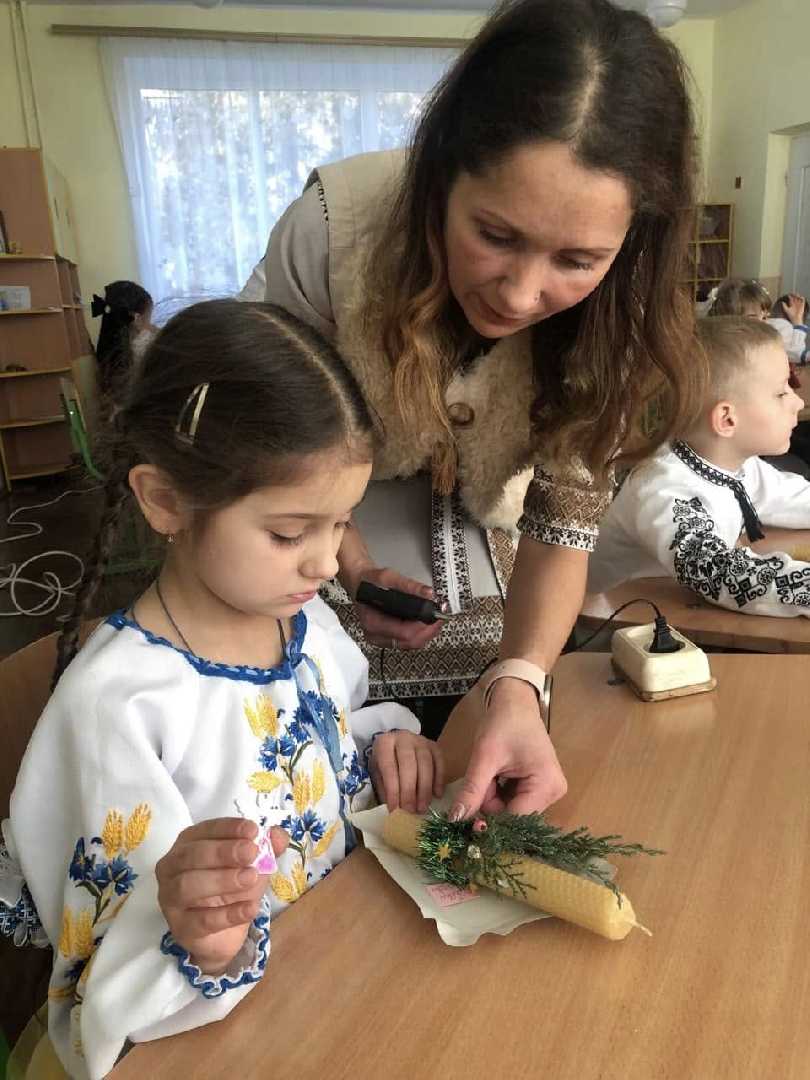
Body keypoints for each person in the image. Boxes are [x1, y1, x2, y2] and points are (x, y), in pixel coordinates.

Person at [246, 0, 703, 820]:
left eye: (577, 260)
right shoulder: (333, 232)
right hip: (312, 524)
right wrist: (351, 565)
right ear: (441, 177)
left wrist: (521, 681)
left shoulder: (621, 312)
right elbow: (274, 455)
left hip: (492, 540)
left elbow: (562, 529)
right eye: (495, 235)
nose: (522, 295)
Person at [0, 300, 441, 1080]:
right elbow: (105, 980)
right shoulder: (122, 706)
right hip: (220, 1044)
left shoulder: (305, 624)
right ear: (166, 500)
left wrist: (387, 744)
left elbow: (327, 745)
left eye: (341, 525)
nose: (325, 563)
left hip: (342, 982)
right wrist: (202, 940)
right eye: (289, 532)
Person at [587, 317, 810, 616]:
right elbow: (719, 574)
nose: (798, 402)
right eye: (782, 393)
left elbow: (795, 497)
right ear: (727, 419)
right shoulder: (666, 490)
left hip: (681, 616)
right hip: (616, 631)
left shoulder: (734, 466)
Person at [706, 277, 809, 364]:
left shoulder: (767, 336)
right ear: (730, 320)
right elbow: (797, 354)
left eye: (765, 317)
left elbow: (797, 353)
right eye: (752, 317)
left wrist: (797, 321)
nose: (763, 323)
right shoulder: (733, 349)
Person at [91, 280, 156, 398]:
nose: (150, 325)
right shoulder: (140, 349)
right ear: (137, 319)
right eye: (148, 318)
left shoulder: (108, 351)